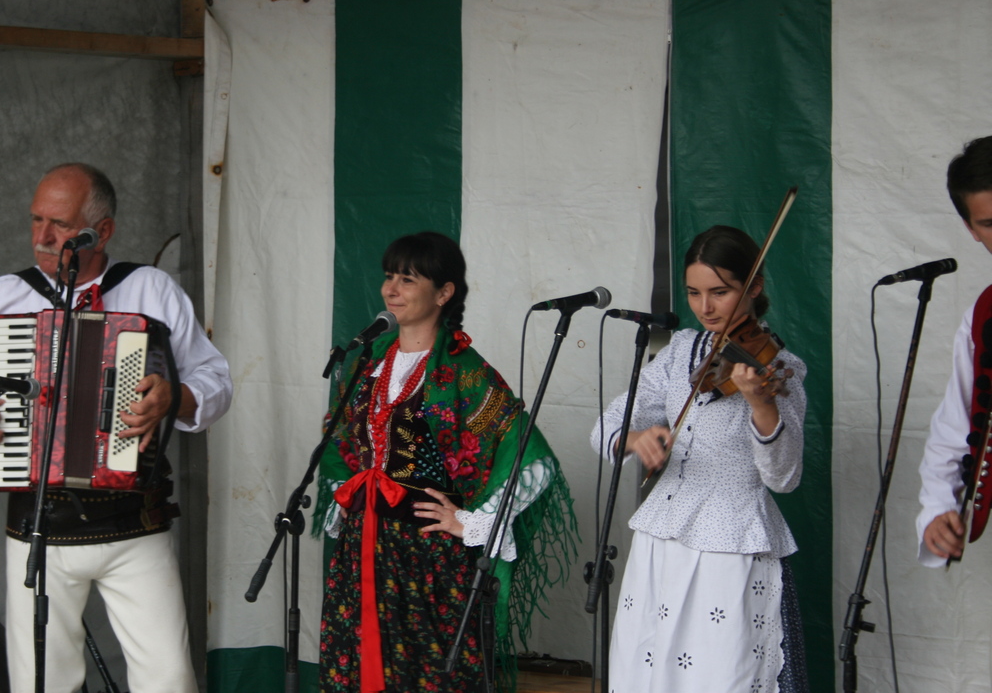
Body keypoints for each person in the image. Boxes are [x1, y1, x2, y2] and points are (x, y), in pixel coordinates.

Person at [0, 163, 232, 693]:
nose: (41, 238)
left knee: (169, 679)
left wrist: (177, 395)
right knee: (42, 682)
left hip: (135, 524)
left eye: (59, 225)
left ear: (101, 232)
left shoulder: (150, 289)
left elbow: (215, 377)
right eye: (36, 220)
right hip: (40, 525)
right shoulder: (8, 297)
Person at [312, 231, 577, 693]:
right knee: (357, 663)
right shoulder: (368, 362)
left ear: (444, 292)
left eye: (407, 280)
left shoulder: (465, 371)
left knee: (430, 675)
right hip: (365, 547)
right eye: (389, 277)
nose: (390, 290)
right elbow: (340, 447)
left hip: (429, 558)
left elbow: (526, 454)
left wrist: (470, 522)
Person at [590, 225, 809, 693]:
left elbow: (784, 477)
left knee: (718, 674)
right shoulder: (677, 354)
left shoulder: (779, 368)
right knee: (644, 669)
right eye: (694, 292)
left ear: (754, 288)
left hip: (729, 543)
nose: (705, 307)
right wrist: (634, 438)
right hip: (660, 540)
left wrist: (761, 405)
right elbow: (606, 425)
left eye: (720, 292)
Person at [918, 135, 992, 567]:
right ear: (970, 229)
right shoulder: (983, 315)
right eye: (990, 223)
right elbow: (956, 424)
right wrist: (938, 507)